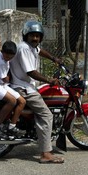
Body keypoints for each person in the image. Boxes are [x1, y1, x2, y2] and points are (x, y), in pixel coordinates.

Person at [10, 21, 64, 163]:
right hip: (23, 87)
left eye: (38, 36)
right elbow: (31, 72)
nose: (35, 38)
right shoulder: (25, 49)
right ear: (26, 36)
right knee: (46, 115)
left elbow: (40, 51)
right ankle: (46, 154)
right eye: (32, 36)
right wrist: (49, 80)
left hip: (26, 85)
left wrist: (54, 59)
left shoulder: (32, 47)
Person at [0, 41, 26, 136]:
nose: (8, 58)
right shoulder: (1, 62)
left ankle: (12, 124)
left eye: (11, 57)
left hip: (3, 85)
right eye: (7, 56)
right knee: (17, 101)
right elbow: (5, 79)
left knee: (22, 101)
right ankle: (2, 125)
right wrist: (9, 78)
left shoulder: (1, 57)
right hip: (0, 85)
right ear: (2, 51)